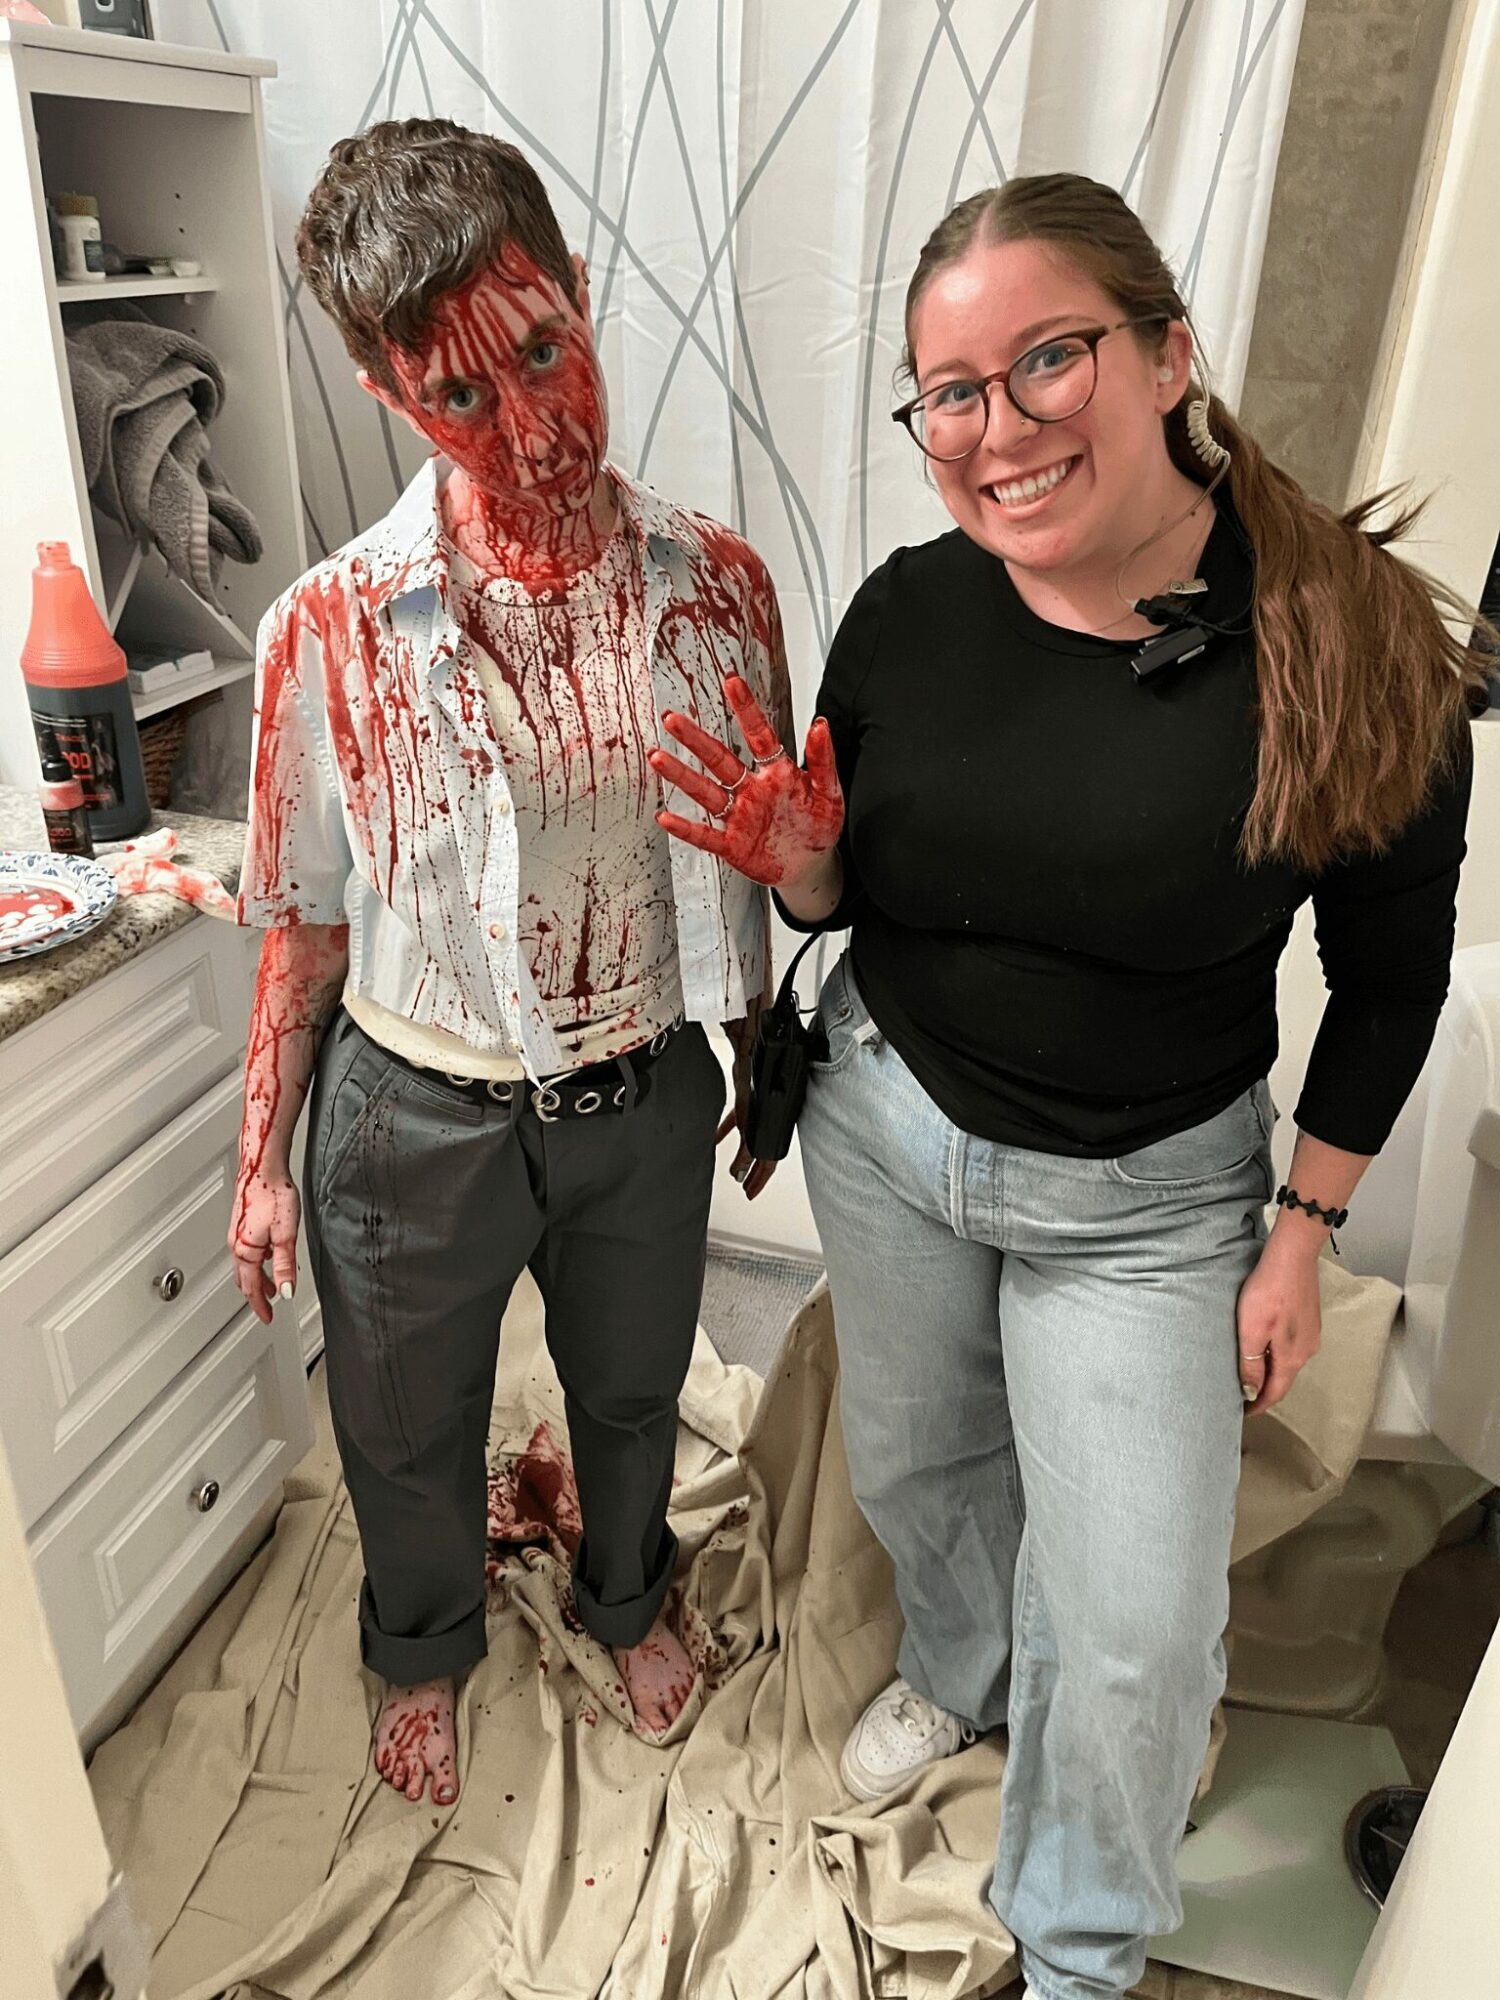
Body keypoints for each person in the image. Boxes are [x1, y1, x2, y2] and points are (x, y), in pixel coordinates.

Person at [648, 174, 1486, 2000]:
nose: (995, 428)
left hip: (1149, 1199)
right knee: (922, 1463)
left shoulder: (1351, 650)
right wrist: (800, 867)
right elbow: (852, 895)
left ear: (1168, 352)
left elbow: (1392, 978)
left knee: (1136, 1627)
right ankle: (960, 1671)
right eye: (950, 391)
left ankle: (1081, 1952)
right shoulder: (910, 612)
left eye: (1048, 359)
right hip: (888, 1121)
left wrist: (1301, 1235)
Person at [228, 118, 790, 1810]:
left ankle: (627, 1596)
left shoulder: (721, 586)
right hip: (410, 1113)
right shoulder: (328, 629)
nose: (534, 429)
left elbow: (754, 834)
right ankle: (420, 1646)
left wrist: (760, 1043)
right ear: (388, 393)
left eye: (545, 350)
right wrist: (259, 1158)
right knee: (403, 1422)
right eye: (461, 394)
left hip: (640, 1086)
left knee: (632, 1391)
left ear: (580, 289)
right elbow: (304, 918)